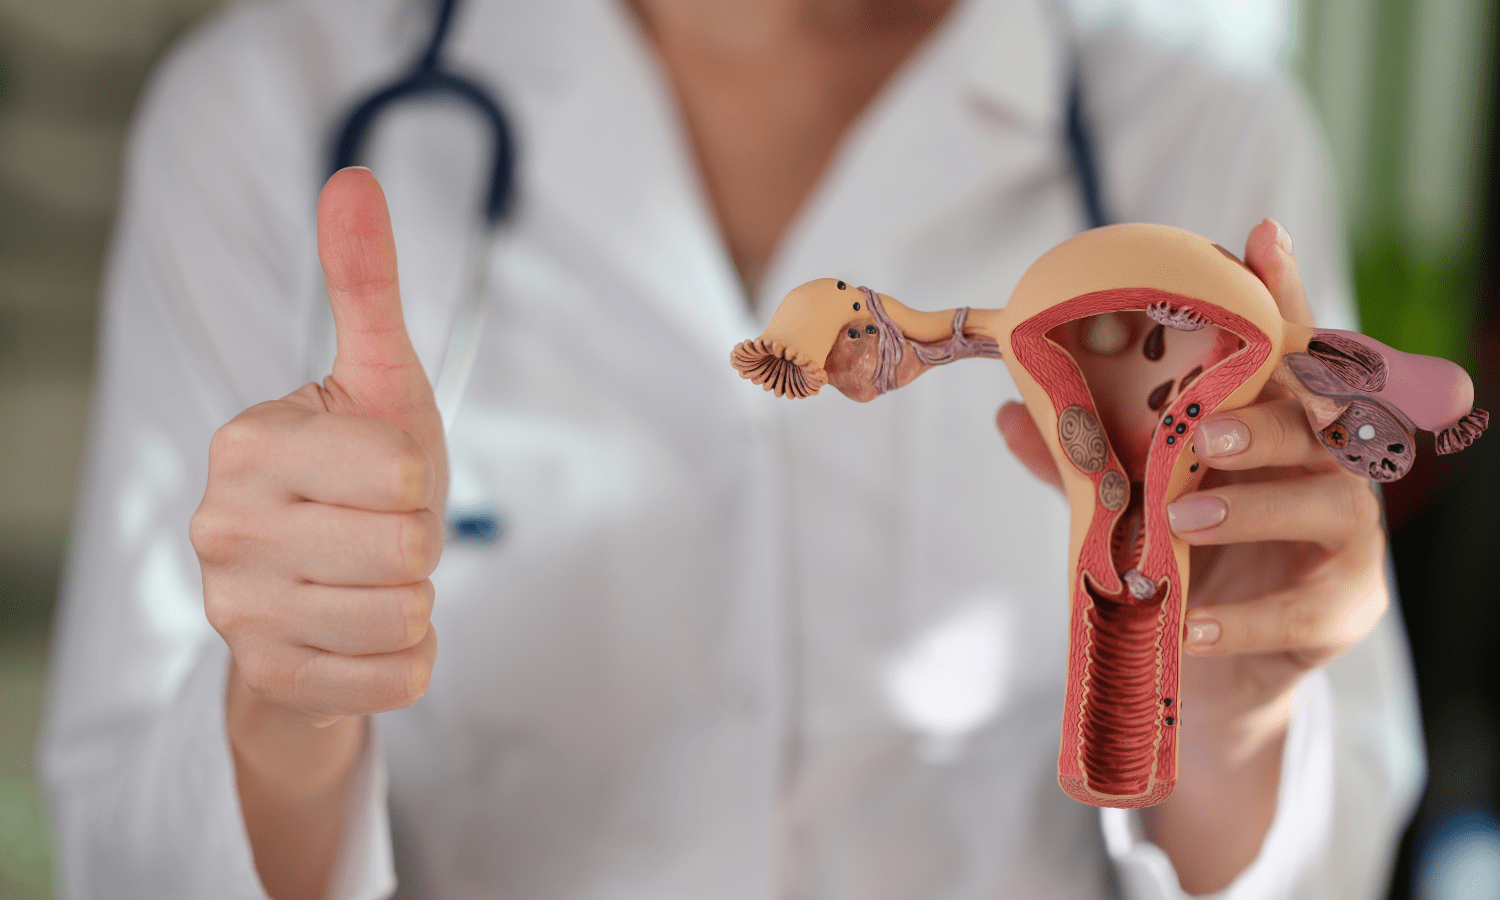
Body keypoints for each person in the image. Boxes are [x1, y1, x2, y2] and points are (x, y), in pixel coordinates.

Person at [41, 0, 1422, 898]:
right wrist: (285, 710)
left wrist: (1236, 714)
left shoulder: (1205, 135)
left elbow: (1331, 859)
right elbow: (124, 855)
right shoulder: (266, 113)